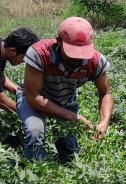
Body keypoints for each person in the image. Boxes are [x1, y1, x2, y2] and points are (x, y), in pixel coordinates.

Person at [17, 17, 113, 163]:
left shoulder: (96, 60)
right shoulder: (39, 53)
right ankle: (34, 177)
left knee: (69, 149)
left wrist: (104, 121)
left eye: (83, 52)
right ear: (59, 41)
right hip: (34, 99)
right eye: (72, 52)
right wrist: (72, 117)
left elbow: (105, 93)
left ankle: (65, 175)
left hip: (65, 100)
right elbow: (33, 98)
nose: (78, 58)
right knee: (35, 131)